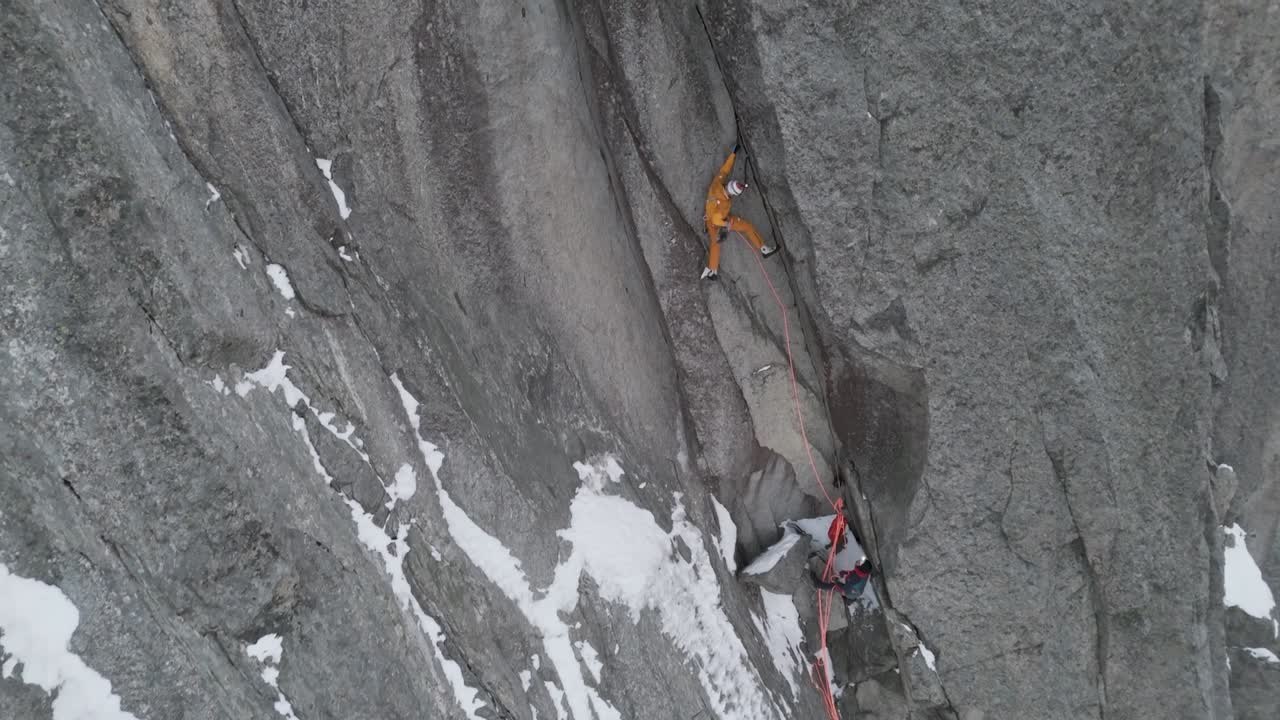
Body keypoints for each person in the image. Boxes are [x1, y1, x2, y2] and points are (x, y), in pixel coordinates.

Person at [701, 144, 777, 280]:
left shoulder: (718, 183)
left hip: (723, 218)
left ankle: (764, 249)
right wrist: (726, 225)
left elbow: (724, 170)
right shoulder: (722, 202)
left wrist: (733, 154)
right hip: (713, 222)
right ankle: (712, 270)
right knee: (715, 243)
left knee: (746, 226)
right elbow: (716, 219)